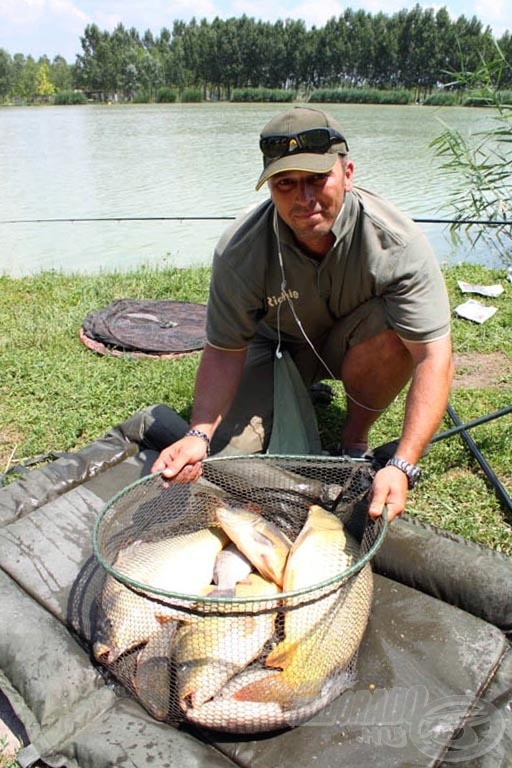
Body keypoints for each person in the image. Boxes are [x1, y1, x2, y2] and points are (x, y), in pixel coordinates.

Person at [152, 106, 454, 521]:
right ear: (270, 188)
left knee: (395, 334)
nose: (304, 198)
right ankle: (293, 393)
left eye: (317, 179)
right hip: (276, 346)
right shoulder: (239, 249)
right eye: (286, 183)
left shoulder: (398, 242)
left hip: (359, 342)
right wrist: (198, 433)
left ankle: (353, 440)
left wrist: (402, 464)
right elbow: (224, 350)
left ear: (347, 174)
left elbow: (433, 356)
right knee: (228, 458)